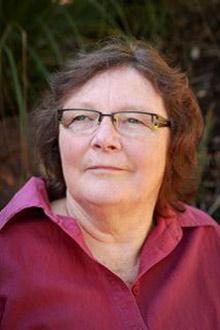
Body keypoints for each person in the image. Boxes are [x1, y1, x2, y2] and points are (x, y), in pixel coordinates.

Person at [0, 38, 219, 330]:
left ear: (174, 143)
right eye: (81, 117)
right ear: (57, 139)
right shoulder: (7, 256)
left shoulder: (209, 246)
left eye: (133, 120)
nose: (104, 138)